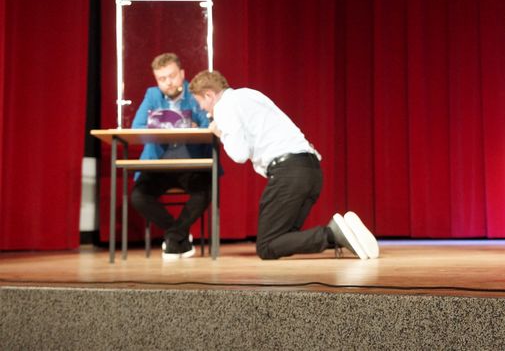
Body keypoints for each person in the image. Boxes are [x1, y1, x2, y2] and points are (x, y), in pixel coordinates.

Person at [189, 70, 379, 260]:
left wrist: (221, 133)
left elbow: (239, 155)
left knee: (267, 246)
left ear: (209, 95)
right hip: (311, 170)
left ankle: (333, 234)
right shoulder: (249, 94)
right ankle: (342, 234)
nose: (203, 109)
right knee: (283, 237)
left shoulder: (223, 107)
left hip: (289, 173)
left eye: (200, 102)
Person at [130, 53, 212, 260]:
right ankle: (179, 236)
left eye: (172, 76)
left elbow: (208, 125)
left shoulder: (194, 94)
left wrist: (194, 126)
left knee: (205, 192)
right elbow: (137, 126)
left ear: (182, 74)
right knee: (139, 196)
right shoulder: (152, 95)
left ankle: (174, 237)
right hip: (159, 166)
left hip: (190, 165)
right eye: (162, 78)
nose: (168, 82)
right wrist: (163, 125)